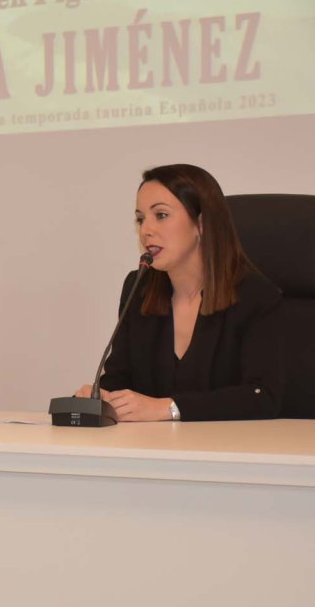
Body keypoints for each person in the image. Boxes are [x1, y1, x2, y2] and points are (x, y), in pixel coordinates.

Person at [75, 164, 284, 421]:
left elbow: (263, 397)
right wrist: (101, 398)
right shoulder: (139, 288)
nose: (145, 230)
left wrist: (169, 408)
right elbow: (120, 379)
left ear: (201, 224)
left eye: (161, 215)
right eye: (141, 219)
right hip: (154, 445)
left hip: (233, 444)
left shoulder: (255, 296)